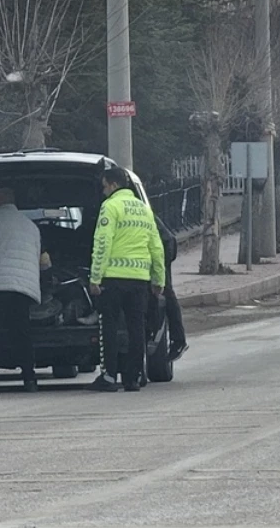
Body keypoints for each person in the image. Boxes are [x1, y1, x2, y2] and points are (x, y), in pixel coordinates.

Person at [87, 167, 166, 393]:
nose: (103, 192)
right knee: (136, 328)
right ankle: (135, 377)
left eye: (104, 187)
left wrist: (95, 277)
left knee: (109, 327)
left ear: (112, 185)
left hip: (113, 279)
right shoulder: (143, 210)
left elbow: (103, 243)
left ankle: (110, 376)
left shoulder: (110, 207)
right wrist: (158, 279)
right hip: (139, 280)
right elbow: (156, 247)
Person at [0, 188, 51, 394]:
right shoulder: (31, 226)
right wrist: (46, 286)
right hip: (23, 289)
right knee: (22, 333)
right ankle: (29, 379)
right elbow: (45, 262)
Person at [154, 218, 188, 362]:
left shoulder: (144, 213)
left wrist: (162, 266)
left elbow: (169, 240)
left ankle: (178, 340)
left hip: (157, 261)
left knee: (167, 294)